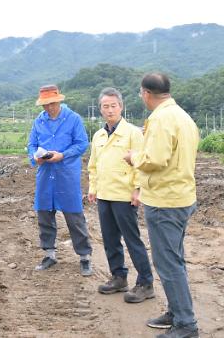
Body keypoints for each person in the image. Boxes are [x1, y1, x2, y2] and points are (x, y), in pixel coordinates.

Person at [124, 73, 200, 338]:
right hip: (181, 197)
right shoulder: (182, 116)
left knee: (168, 264)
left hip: (166, 202)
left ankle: (186, 325)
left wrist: (134, 156)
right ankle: (176, 311)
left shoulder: (161, 119)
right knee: (174, 259)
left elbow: (155, 159)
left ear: (146, 93)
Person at [88, 87, 155, 303]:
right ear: (100, 109)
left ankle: (145, 282)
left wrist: (138, 189)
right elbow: (93, 165)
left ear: (121, 107)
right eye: (105, 106)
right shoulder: (98, 135)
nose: (109, 110)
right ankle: (118, 277)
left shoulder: (133, 133)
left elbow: (141, 163)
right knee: (109, 239)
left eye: (113, 106)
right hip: (104, 194)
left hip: (125, 195)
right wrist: (93, 188)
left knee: (132, 239)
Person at [27, 84, 92, 276]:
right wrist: (35, 157)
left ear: (58, 101)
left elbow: (81, 144)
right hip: (46, 176)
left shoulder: (73, 119)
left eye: (51, 104)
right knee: (45, 214)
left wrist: (62, 155)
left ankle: (84, 257)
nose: (48, 108)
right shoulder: (39, 121)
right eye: (45, 105)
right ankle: (50, 254)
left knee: (74, 217)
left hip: (67, 175)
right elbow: (31, 144)